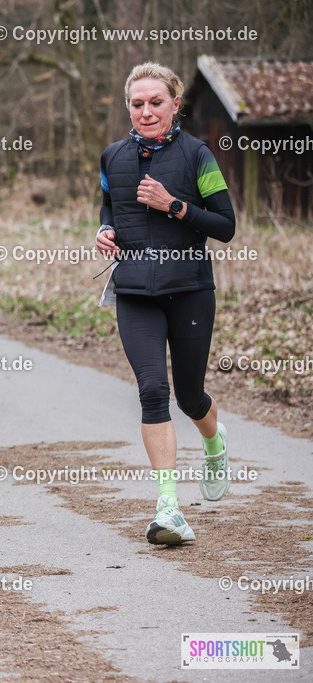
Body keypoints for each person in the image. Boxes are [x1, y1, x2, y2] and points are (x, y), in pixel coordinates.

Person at [96, 63, 235, 545]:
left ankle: (214, 443)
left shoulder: (198, 154)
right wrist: (104, 231)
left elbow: (225, 225)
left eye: (156, 102)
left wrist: (173, 205)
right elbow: (110, 206)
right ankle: (169, 509)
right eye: (138, 104)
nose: (147, 111)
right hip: (135, 290)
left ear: (175, 104)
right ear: (128, 108)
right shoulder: (112, 156)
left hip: (190, 289)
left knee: (189, 396)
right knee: (153, 391)